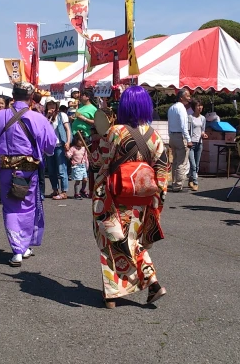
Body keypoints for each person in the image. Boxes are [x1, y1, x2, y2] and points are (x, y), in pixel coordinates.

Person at [90, 86, 169, 308]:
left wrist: (95, 146)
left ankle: (112, 295)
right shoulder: (154, 136)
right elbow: (162, 171)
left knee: (112, 243)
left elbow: (100, 162)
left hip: (115, 197)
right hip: (142, 200)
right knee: (133, 241)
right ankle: (152, 283)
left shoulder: (116, 131)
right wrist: (157, 201)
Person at [0, 82, 55, 266]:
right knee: (28, 206)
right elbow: (51, 144)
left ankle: (17, 250)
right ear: (30, 98)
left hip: (6, 169)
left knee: (11, 206)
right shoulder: (38, 118)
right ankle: (24, 246)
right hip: (29, 171)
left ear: (13, 96)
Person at [45, 100, 71, 200]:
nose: (51, 106)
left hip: (60, 145)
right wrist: (47, 116)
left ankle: (64, 192)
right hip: (49, 146)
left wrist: (68, 142)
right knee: (51, 170)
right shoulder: (45, 117)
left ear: (56, 106)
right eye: (49, 104)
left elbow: (67, 129)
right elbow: (42, 128)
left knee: (61, 169)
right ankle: (55, 190)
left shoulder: (61, 115)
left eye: (53, 104)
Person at [167, 89, 192, 192]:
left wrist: (169, 136)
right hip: (180, 136)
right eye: (188, 96)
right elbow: (183, 126)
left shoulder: (171, 108)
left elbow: (169, 124)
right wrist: (188, 139)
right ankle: (178, 185)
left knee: (175, 161)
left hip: (172, 136)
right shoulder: (181, 109)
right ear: (181, 97)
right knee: (182, 162)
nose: (189, 97)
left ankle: (174, 182)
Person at [187, 99, 208, 191]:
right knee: (193, 164)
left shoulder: (203, 118)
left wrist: (203, 134)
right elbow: (187, 130)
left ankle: (191, 180)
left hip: (199, 143)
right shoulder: (190, 117)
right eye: (198, 106)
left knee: (197, 164)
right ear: (194, 107)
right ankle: (195, 182)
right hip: (191, 143)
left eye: (201, 106)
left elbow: (202, 130)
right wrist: (188, 140)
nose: (200, 108)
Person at [66, 134, 89, 198]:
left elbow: (86, 157)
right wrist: (68, 154)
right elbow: (69, 154)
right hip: (76, 166)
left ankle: (82, 190)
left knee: (85, 179)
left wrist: (87, 165)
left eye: (82, 140)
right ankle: (76, 193)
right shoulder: (73, 148)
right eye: (80, 140)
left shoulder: (84, 148)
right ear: (76, 141)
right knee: (78, 180)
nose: (81, 142)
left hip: (83, 166)